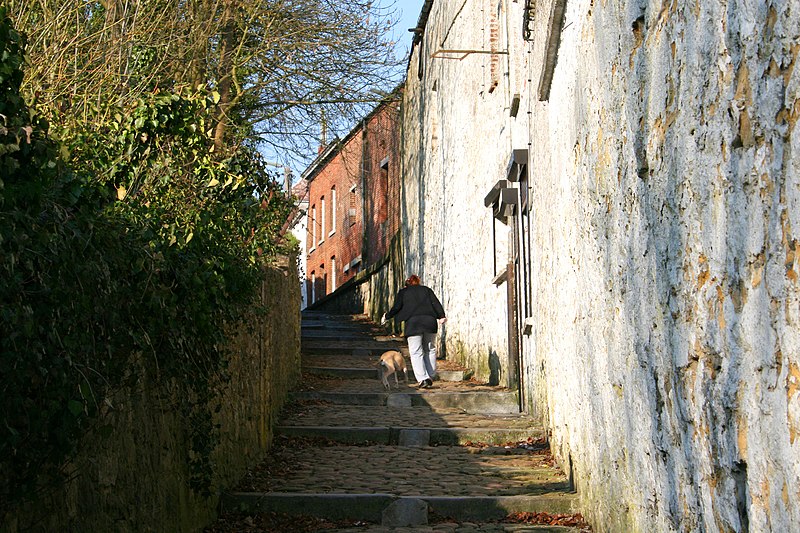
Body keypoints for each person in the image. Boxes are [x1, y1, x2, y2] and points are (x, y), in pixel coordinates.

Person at [381, 275, 446, 389]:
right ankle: (430, 376)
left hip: (413, 324)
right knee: (430, 349)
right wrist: (441, 316)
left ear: (407, 284)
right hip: (430, 322)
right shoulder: (427, 290)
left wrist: (387, 316)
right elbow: (435, 303)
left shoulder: (403, 292)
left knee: (416, 352)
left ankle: (422, 379)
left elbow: (397, 307)